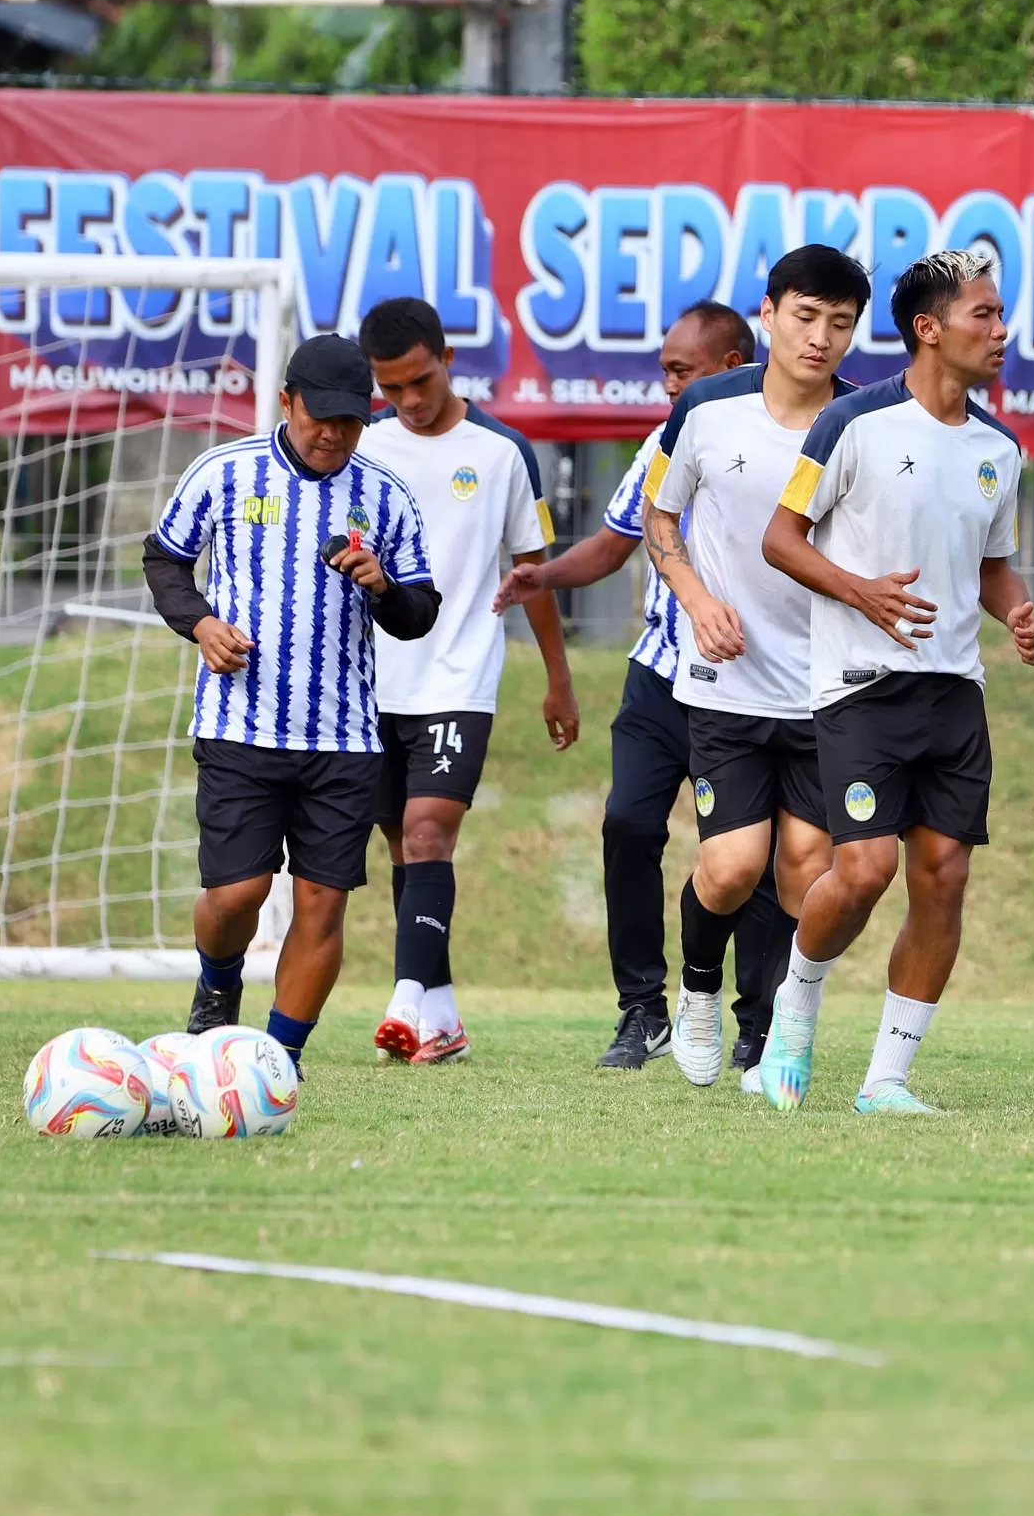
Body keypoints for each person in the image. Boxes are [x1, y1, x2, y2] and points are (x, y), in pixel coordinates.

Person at [761, 249, 1034, 1114]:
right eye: (984, 317)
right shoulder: (852, 424)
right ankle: (797, 996)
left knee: (944, 877)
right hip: (859, 683)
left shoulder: (1002, 446)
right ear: (929, 329)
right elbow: (782, 538)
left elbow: (992, 566)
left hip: (955, 688)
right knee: (863, 870)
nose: (1000, 332)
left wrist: (1019, 610)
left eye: (1000, 316)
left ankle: (887, 1078)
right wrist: (861, 593)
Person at [145, 333, 441, 1068]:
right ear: (287, 403)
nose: (333, 434)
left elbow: (419, 612)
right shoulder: (224, 471)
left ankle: (276, 1061)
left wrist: (382, 587)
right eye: (320, 418)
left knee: (322, 905)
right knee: (236, 895)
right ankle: (217, 986)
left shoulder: (384, 495)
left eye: (350, 421)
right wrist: (202, 623)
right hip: (240, 724)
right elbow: (166, 559)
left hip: (342, 740)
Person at [494, 302, 765, 1070]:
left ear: (734, 363)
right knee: (628, 827)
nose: (668, 386)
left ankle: (755, 1020)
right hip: (659, 677)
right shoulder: (661, 442)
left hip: (749, 686)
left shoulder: (794, 441)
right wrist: (542, 573)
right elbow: (614, 547)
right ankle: (643, 1009)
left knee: (750, 860)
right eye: (665, 371)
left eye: (683, 371)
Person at [643, 245, 866, 1090]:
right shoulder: (703, 407)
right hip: (727, 683)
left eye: (839, 324)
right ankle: (698, 993)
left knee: (808, 870)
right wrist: (698, 601)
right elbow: (660, 519)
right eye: (805, 318)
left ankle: (778, 1035)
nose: (820, 338)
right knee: (733, 868)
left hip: (830, 690)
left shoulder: (867, 420)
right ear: (767, 316)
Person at [357, 296, 580, 1065]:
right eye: (393, 390)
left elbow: (531, 574)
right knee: (405, 848)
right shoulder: (367, 449)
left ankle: (402, 1001)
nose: (410, 402)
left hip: (458, 678)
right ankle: (442, 1018)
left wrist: (558, 679)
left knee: (427, 833)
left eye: (420, 381)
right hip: (370, 683)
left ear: (448, 360)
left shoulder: (501, 452)